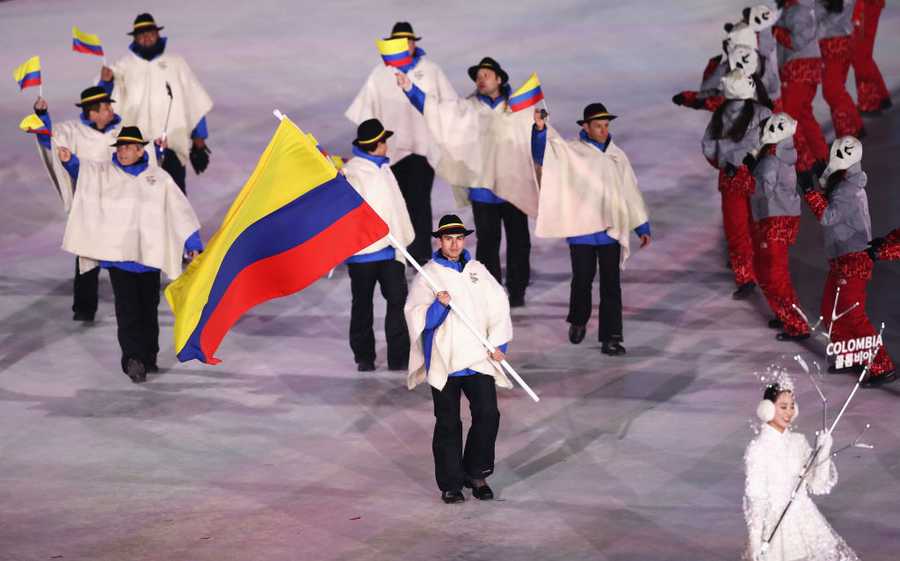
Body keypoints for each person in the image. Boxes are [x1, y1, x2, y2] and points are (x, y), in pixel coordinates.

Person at [57, 126, 202, 383]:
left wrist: (193, 243)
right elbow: (83, 171)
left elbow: (180, 212)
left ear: (139, 149)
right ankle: (133, 359)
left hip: (149, 259)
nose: (122, 152)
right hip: (120, 259)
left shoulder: (159, 178)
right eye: (120, 147)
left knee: (148, 310)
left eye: (127, 147)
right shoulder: (104, 173)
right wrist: (69, 161)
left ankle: (149, 355)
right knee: (127, 311)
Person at [397, 57, 537, 307]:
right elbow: (435, 109)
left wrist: (540, 129)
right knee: (487, 245)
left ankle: (517, 290)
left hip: (514, 187)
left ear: (499, 79)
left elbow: (539, 139)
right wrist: (410, 88)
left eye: (486, 75)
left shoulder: (519, 107)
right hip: (483, 189)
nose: (480, 80)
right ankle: (492, 292)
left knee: (519, 243)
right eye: (478, 76)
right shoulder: (468, 108)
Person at [404, 215, 513, 504]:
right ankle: (451, 483)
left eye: (459, 238)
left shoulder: (478, 270)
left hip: (477, 358)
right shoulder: (428, 275)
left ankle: (476, 473)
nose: (454, 244)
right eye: (448, 238)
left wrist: (500, 343)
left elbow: (498, 305)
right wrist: (438, 308)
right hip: (445, 361)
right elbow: (416, 317)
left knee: (488, 415)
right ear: (439, 241)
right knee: (448, 423)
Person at [531, 103, 651, 354]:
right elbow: (543, 156)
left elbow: (629, 191)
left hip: (609, 232)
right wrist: (540, 129)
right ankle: (578, 319)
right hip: (582, 230)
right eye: (598, 125)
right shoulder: (572, 151)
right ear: (585, 126)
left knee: (611, 285)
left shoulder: (617, 156)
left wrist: (641, 225)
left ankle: (611, 336)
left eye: (606, 126)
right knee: (582, 281)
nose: (603, 130)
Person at [28, 86, 152, 323]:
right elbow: (48, 138)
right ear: (92, 113)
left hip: (121, 205)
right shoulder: (72, 132)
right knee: (87, 254)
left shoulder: (123, 131)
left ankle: (130, 302)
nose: (111, 110)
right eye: (105, 107)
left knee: (124, 253)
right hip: (90, 204)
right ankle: (84, 307)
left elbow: (143, 152)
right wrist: (42, 115)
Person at [345, 22, 457, 265]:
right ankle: (398, 253)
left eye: (409, 40)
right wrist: (369, 147)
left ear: (415, 42)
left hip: (422, 150)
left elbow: (449, 106)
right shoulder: (380, 73)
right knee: (395, 202)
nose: (406, 45)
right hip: (390, 152)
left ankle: (421, 254)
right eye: (400, 41)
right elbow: (365, 112)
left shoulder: (431, 70)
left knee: (419, 202)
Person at [802, 136, 895, 386]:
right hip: (842, 258)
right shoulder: (845, 184)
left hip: (853, 259)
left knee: (853, 315)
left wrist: (810, 193)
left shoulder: (848, 190)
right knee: (830, 310)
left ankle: (882, 365)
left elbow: (828, 216)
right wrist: (822, 178)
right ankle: (850, 355)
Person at [743, 380, 859, 561]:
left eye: (791, 406)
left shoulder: (799, 441)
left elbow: (818, 486)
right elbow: (757, 500)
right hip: (775, 529)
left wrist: (823, 452)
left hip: (806, 522)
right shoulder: (758, 448)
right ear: (768, 409)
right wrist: (756, 542)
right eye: (783, 407)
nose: (789, 412)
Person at [99, 13, 213, 194]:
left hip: (171, 145)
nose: (146, 37)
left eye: (150, 32)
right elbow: (104, 103)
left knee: (174, 196)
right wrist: (106, 82)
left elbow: (192, 101)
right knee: (141, 197)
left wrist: (199, 140)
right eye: (141, 34)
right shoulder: (123, 67)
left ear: (158, 34)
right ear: (135, 39)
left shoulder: (176, 64)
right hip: (137, 149)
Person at [341, 119, 415, 372]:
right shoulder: (354, 173)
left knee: (398, 302)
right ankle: (364, 357)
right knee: (362, 306)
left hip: (389, 252)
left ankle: (399, 357)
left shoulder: (383, 168)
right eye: (384, 141)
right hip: (363, 255)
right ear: (377, 145)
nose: (387, 145)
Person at [702, 70, 773, 298]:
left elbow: (708, 148)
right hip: (758, 177)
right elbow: (771, 146)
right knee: (759, 227)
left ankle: (745, 277)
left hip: (731, 180)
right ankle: (766, 271)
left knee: (737, 231)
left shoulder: (719, 115)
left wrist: (724, 163)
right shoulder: (763, 113)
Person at [749, 113, 810, 341]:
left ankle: (796, 324)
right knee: (767, 269)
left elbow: (763, 189)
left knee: (773, 274)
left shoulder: (772, 160)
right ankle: (784, 314)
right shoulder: (782, 154)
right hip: (779, 217)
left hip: (774, 219)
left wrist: (747, 173)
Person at [772, 0, 829, 174]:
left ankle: (805, 162)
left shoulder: (797, 11)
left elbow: (797, 41)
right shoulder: (799, 9)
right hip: (804, 68)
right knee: (803, 114)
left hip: (799, 68)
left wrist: (776, 31)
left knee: (792, 116)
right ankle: (821, 157)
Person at [815, 0, 864, 137]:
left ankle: (849, 131)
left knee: (833, 91)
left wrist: (817, 30)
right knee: (836, 89)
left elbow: (838, 10)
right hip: (838, 38)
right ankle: (853, 126)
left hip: (835, 41)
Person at [850, 0, 891, 114]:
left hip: (864, 5)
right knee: (862, 52)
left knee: (859, 53)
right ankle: (880, 94)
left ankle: (870, 102)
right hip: (866, 5)